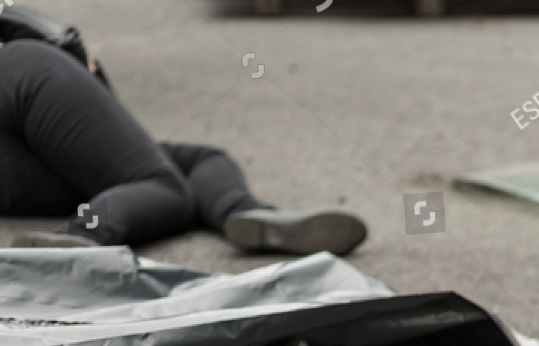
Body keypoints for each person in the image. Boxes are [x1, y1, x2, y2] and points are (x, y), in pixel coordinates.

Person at [0, 7, 366, 254]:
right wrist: (80, 61)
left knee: (193, 161)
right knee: (164, 185)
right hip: (23, 78)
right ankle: (80, 238)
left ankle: (243, 213)